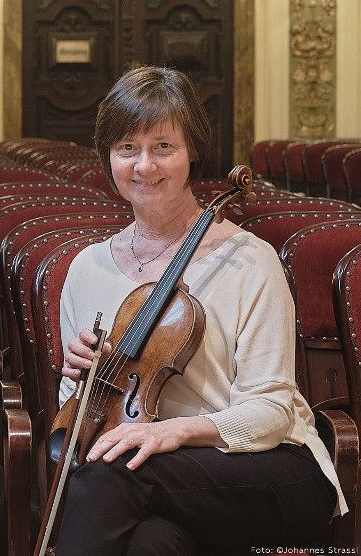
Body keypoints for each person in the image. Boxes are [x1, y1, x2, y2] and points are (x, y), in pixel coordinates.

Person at [54, 66, 346, 554]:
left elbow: (272, 412)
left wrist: (176, 432)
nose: (144, 165)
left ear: (193, 153)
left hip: (269, 467)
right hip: (152, 480)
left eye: (163, 147)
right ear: (108, 157)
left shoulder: (249, 259)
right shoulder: (87, 269)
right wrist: (82, 380)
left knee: (111, 478)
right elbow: (76, 416)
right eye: (128, 148)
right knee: (152, 542)